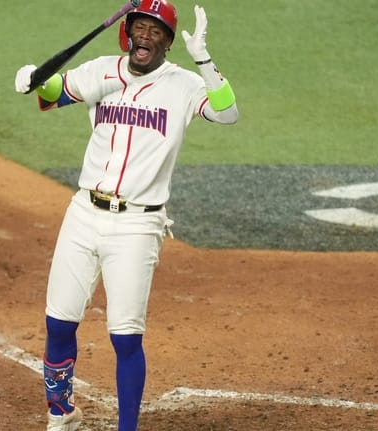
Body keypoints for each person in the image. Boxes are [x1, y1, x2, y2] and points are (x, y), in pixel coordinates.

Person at [14, 1, 238, 430]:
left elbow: (226, 112)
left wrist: (205, 60)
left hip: (137, 224)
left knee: (125, 336)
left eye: (157, 32)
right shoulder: (101, 71)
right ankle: (61, 413)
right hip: (84, 212)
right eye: (140, 28)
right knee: (58, 322)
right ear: (128, 33)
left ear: (168, 43)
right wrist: (34, 79)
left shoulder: (185, 85)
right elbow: (56, 91)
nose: (146, 37)